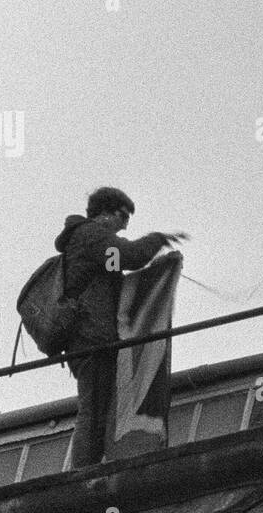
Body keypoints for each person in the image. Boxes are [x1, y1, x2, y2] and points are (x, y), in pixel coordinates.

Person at [54, 187, 187, 469]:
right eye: (123, 216)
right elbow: (129, 255)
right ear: (105, 213)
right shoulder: (90, 235)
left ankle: (89, 468)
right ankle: (83, 474)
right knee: (93, 409)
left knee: (99, 407)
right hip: (91, 339)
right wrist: (157, 239)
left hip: (91, 338)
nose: (126, 224)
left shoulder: (87, 241)